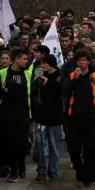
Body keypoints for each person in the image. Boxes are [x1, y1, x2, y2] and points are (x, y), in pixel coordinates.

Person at [63, 49, 95, 187]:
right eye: (79, 60)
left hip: (92, 118)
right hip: (74, 118)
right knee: (74, 150)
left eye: (84, 60)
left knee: (89, 150)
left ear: (88, 61)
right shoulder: (72, 75)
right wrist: (75, 79)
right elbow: (65, 92)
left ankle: (86, 178)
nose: (81, 62)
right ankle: (81, 173)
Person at [0, 49, 32, 182]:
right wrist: (5, 90)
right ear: (16, 59)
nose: (26, 62)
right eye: (24, 59)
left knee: (22, 144)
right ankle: (13, 171)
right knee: (9, 143)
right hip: (6, 113)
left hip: (23, 113)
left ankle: (21, 166)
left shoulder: (27, 74)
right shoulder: (3, 73)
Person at [32, 54, 64, 183]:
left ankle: (53, 172)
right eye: (42, 63)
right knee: (40, 144)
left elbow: (63, 90)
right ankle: (41, 170)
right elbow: (34, 92)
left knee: (54, 146)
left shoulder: (60, 76)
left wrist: (49, 83)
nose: (42, 65)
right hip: (41, 116)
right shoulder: (39, 77)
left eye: (45, 63)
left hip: (55, 116)